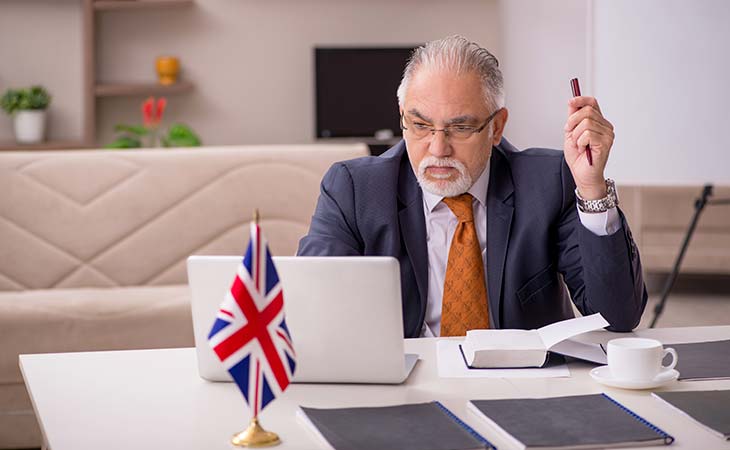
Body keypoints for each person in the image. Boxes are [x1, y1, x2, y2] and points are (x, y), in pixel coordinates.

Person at [298, 35, 647, 338]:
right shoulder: (354, 189)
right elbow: (313, 310)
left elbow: (617, 317)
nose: (437, 149)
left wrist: (591, 188)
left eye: (460, 128)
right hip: (404, 382)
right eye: (419, 125)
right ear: (402, 115)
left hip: (523, 389)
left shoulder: (548, 181)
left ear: (497, 127)